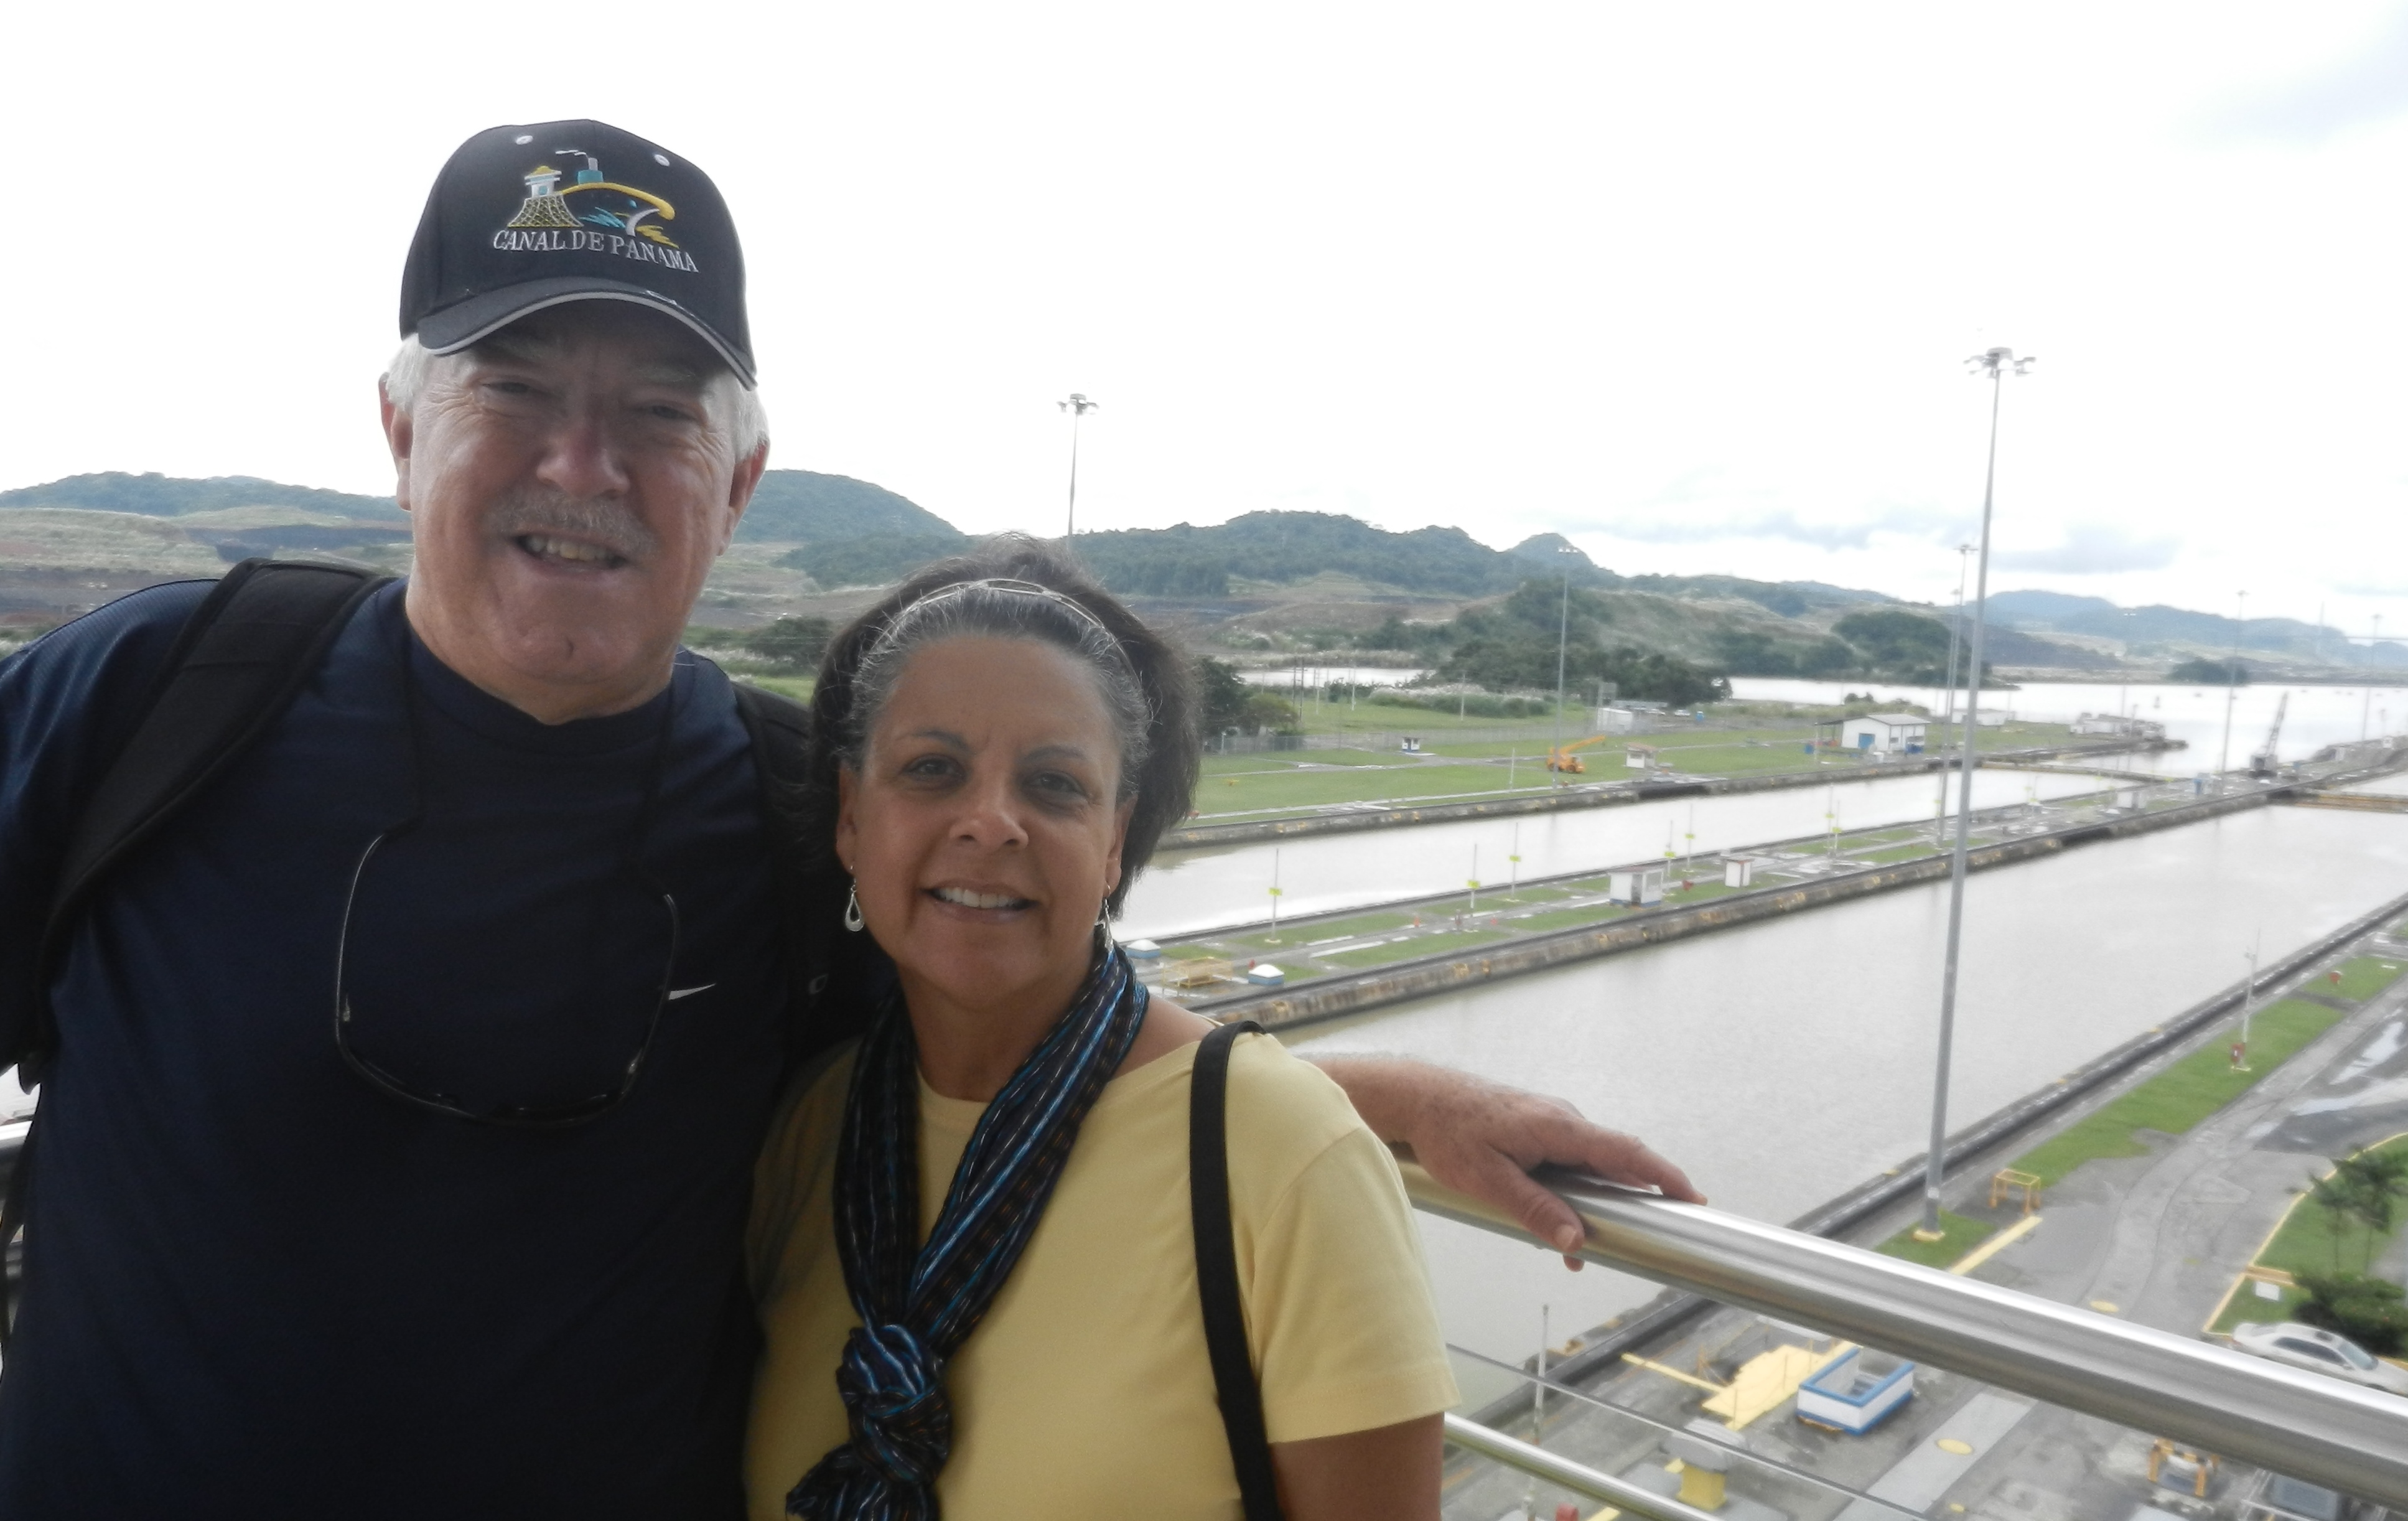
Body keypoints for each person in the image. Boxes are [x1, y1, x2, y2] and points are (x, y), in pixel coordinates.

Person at [0, 119, 1696, 1519]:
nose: (583, 465)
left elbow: (1016, 1049)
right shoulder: (155, 695)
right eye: (514, 387)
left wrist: (1370, 1102)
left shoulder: (783, 800)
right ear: (398, 426)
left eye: (660, 414)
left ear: (736, 484)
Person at [748, 546, 1457, 1520]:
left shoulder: (1284, 1161)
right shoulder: (814, 1127)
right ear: (848, 816)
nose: (992, 821)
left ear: (1114, 839)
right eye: (931, 768)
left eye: (1054, 785)